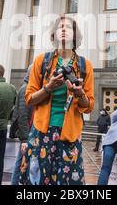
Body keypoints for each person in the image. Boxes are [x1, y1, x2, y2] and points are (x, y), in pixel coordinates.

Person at [19, 16, 94, 185]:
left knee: (68, 183)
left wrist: (80, 93)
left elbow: (89, 106)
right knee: (37, 180)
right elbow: (29, 99)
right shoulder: (42, 61)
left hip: (70, 134)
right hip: (41, 133)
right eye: (60, 27)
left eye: (69, 27)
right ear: (54, 34)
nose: (64, 29)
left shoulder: (84, 65)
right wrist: (48, 88)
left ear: (75, 35)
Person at [10, 67, 33, 185]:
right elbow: (23, 115)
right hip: (26, 134)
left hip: (27, 133)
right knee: (20, 165)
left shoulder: (28, 87)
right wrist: (24, 138)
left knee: (21, 163)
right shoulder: (26, 89)